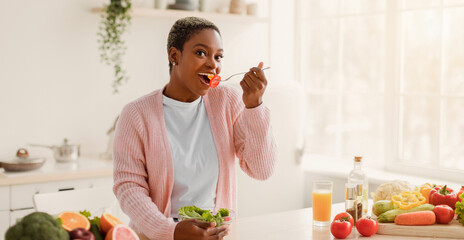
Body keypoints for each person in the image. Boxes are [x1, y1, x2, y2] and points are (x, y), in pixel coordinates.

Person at [113, 16, 277, 240]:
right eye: (201, 53)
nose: (213, 64)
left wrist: (254, 107)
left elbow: (261, 170)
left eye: (218, 56)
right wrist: (171, 232)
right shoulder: (136, 114)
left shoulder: (228, 101)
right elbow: (129, 188)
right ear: (174, 56)